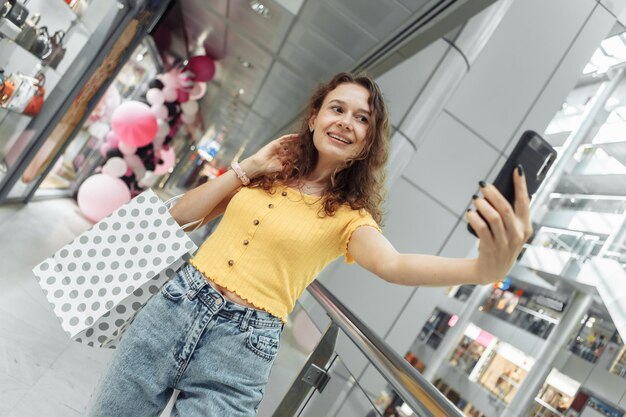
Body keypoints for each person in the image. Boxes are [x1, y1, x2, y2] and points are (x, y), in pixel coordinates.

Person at [88, 72, 532, 417]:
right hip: (174, 308)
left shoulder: (349, 218)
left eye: (363, 119)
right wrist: (249, 167)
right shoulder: (268, 170)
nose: (347, 122)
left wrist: (482, 270)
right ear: (315, 116)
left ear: (366, 145)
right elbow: (181, 215)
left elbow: (393, 265)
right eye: (337, 108)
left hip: (242, 350)